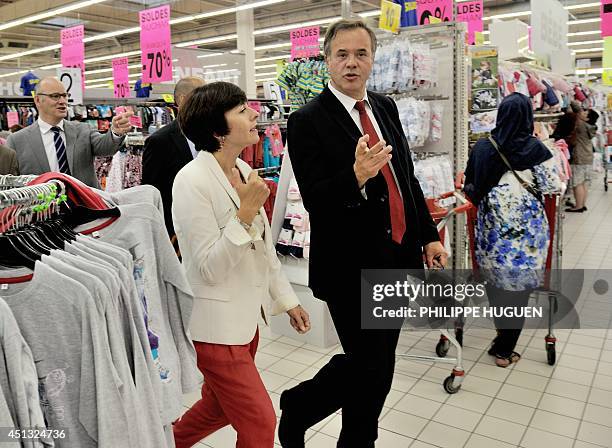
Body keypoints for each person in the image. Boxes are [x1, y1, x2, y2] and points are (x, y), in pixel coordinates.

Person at [280, 19, 447, 448]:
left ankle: (346, 436)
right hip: (349, 267)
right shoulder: (306, 121)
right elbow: (317, 199)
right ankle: (301, 406)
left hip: (396, 257)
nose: (352, 63)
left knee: (378, 369)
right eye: (342, 54)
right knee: (370, 365)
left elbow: (406, 178)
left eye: (361, 54)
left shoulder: (386, 108)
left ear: (373, 59)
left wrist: (428, 235)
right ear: (327, 60)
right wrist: (354, 176)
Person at [171, 81, 311, 448]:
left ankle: (162, 441)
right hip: (214, 330)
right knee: (260, 423)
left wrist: (288, 300)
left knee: (218, 409)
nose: (254, 114)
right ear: (218, 130)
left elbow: (263, 252)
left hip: (245, 323)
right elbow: (207, 268)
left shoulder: (245, 174)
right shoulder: (191, 181)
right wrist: (246, 214)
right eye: (241, 110)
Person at [464, 93, 561, 368]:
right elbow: (551, 186)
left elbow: (470, 185)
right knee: (518, 289)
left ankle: (501, 337)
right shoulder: (537, 150)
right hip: (527, 235)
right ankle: (505, 348)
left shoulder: (483, 148)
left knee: (496, 284)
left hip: (491, 232)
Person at [6, 77, 132, 188]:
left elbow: (106, 148)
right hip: (42, 211)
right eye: (55, 96)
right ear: (38, 100)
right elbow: (11, 183)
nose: (63, 101)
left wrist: (115, 132)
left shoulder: (83, 130)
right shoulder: (17, 141)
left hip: (86, 208)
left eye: (64, 95)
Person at [142, 76, 205, 242]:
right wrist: (166, 231)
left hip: (207, 224)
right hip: (177, 230)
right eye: (201, 94)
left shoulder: (211, 134)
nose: (207, 99)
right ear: (183, 100)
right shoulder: (159, 141)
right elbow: (152, 191)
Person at [565, 101, 596, 213]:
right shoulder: (590, 126)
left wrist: (571, 95)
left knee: (577, 182)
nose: (583, 112)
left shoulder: (582, 125)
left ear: (587, 119)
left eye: (586, 113)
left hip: (579, 156)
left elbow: (576, 109)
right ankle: (582, 204)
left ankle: (578, 206)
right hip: (587, 156)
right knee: (583, 183)